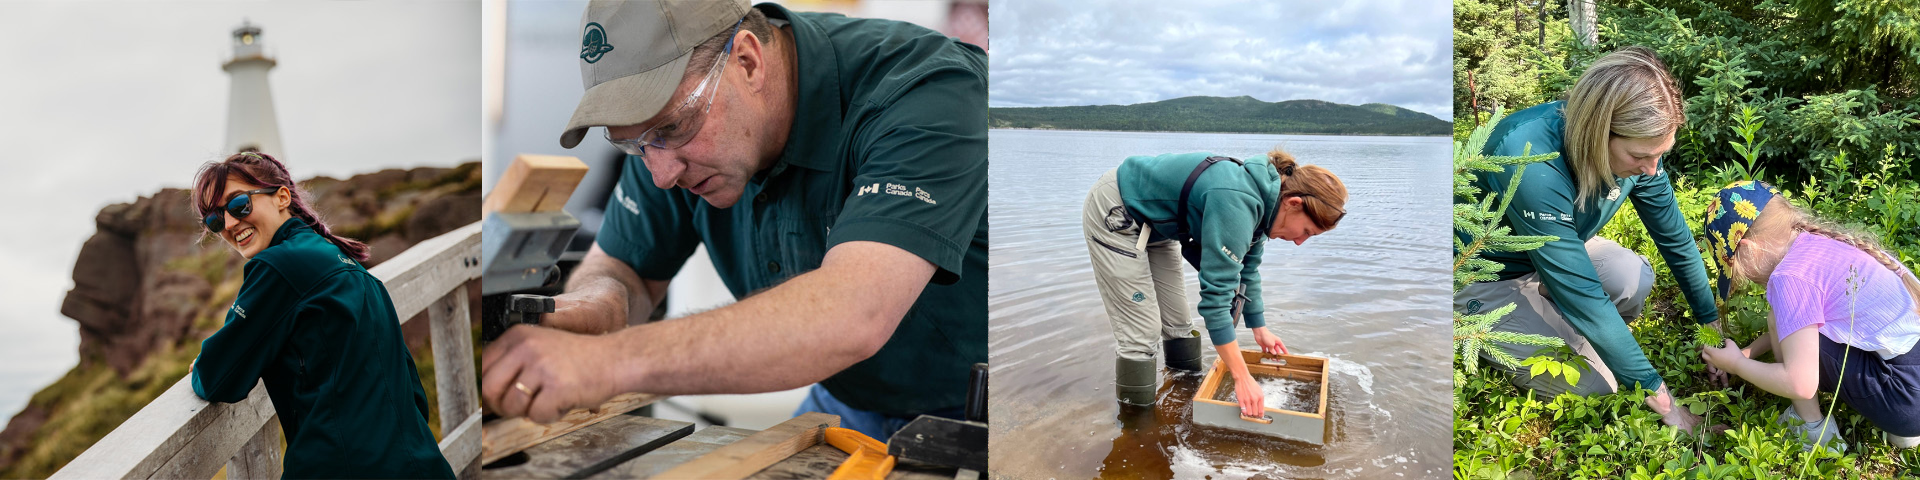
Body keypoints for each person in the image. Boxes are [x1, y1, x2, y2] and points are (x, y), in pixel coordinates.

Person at [479, 0, 987, 440]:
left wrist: (608, 363)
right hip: (849, 403)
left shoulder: (930, 93)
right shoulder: (665, 139)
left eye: (673, 128)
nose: (660, 174)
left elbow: (854, 315)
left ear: (747, 61)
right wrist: (574, 313)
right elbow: (622, 271)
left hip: (985, 419)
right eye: (632, 145)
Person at [1452, 46, 1716, 430]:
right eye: (1641, 155)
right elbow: (1583, 293)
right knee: (1597, 385)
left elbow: (1675, 240)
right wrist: (1664, 402)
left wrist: (1712, 326)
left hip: (1556, 250)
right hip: (1483, 272)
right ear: (1598, 133)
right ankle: (1478, 317)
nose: (1652, 169)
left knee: (1633, 276)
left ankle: (1555, 313)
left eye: (1661, 153)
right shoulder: (1531, 158)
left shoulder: (1642, 158)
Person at [188, 152, 454, 479]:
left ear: (282, 196)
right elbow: (412, 388)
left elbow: (218, 377)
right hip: (422, 464)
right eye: (215, 220)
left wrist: (203, 362)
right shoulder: (343, 261)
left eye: (238, 204)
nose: (229, 224)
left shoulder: (276, 268)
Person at [1083, 147, 1347, 417]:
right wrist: (1242, 377)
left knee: (1178, 324)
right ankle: (1137, 429)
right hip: (1118, 209)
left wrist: (1260, 328)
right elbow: (1215, 302)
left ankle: (1184, 399)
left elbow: (1248, 270)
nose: (1300, 241)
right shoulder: (1237, 203)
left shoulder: (1266, 207)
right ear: (1293, 203)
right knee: (1143, 333)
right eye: (1306, 231)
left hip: (1160, 225)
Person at [1698, 181, 1920, 450]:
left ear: (1748, 249)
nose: (1744, 280)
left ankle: (1814, 431)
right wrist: (1746, 353)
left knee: (1780, 323)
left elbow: (1799, 383)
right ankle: (1904, 428)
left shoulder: (1788, 277)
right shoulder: (1818, 244)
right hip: (1911, 383)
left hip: (1906, 400)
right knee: (1780, 319)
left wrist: (1736, 365)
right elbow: (1797, 325)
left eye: (1735, 269)